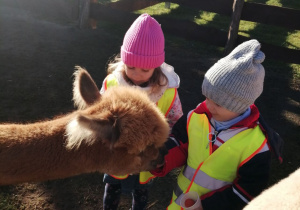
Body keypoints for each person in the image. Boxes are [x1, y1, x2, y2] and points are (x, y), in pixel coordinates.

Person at [151, 39, 284, 210]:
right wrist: (160, 159)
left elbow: (247, 192)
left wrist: (208, 206)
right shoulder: (195, 117)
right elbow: (179, 143)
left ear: (239, 105)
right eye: (207, 97)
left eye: (218, 103)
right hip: (178, 204)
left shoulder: (256, 146)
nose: (208, 105)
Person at [100, 13, 183, 210]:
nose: (137, 74)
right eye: (131, 67)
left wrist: (160, 138)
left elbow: (175, 119)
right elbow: (99, 110)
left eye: (145, 70)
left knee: (141, 191)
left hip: (146, 157)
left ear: (156, 66)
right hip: (117, 153)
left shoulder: (167, 91)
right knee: (112, 187)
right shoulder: (112, 82)